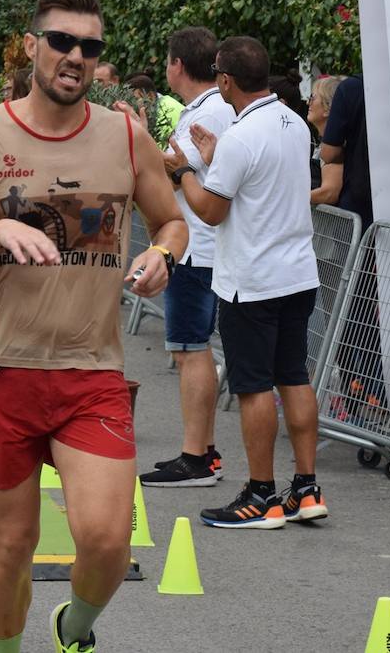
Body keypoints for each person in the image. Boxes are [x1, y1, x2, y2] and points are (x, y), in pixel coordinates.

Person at [0, 0, 187, 653]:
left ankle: (74, 627)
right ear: (33, 46)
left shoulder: (126, 135)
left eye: (90, 48)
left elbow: (175, 220)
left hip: (91, 372)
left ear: (100, 63)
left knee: (106, 539)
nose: (75, 57)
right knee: (12, 543)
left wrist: (162, 255)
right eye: (62, 42)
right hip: (2, 370)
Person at [168, 36, 326, 530]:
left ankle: (261, 495)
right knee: (294, 377)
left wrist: (186, 171)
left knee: (254, 386)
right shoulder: (293, 123)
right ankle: (305, 487)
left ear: (226, 79)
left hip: (252, 279)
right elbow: (260, 183)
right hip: (297, 271)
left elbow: (212, 211)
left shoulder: (241, 135)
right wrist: (216, 160)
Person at [141, 26, 236, 490]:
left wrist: (139, 143)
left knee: (190, 350)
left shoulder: (209, 112)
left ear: (177, 65)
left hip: (197, 247)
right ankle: (204, 452)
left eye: (167, 60)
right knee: (190, 348)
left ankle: (195, 458)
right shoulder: (209, 108)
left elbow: (187, 172)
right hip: (201, 245)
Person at [319, 74, 383, 417]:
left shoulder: (353, 89)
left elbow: (330, 154)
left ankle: (364, 386)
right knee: (370, 306)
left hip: (358, 212)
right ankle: (367, 387)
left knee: (353, 304)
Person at [308, 75, 344, 206]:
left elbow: (329, 193)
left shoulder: (334, 146)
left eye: (313, 97)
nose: (308, 102)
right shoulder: (323, 142)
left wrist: (290, 198)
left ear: (328, 108)